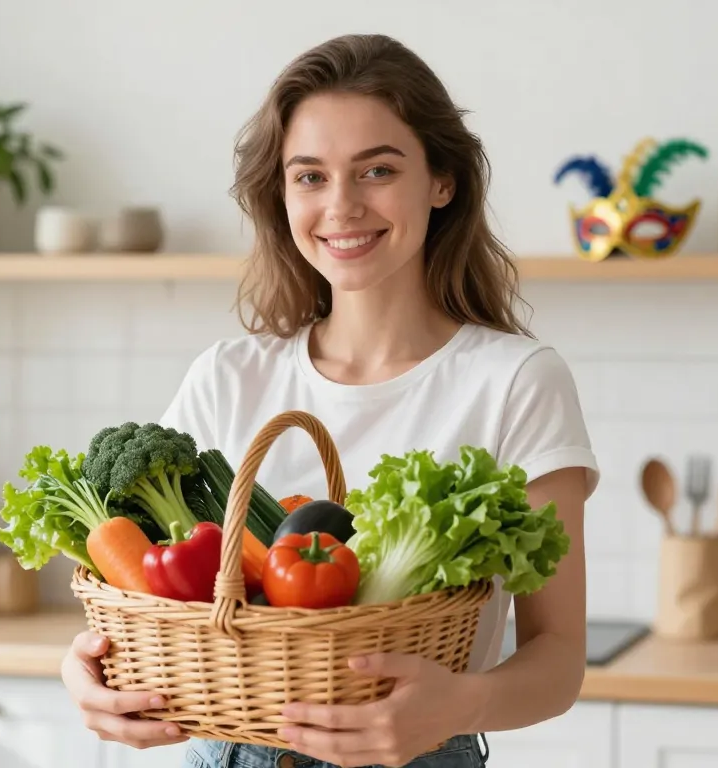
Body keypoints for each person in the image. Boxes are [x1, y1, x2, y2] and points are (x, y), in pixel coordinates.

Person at [60, 33, 598, 768]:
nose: (341, 206)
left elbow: (559, 657)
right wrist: (84, 673)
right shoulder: (228, 377)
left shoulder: (515, 381)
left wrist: (462, 704)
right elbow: (141, 592)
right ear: (280, 196)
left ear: (442, 180)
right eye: (309, 177)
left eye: (377, 169)